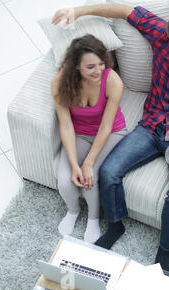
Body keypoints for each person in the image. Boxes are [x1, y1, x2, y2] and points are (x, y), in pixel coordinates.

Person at [52, 4, 169, 273]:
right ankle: (115, 225)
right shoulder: (160, 35)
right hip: (150, 125)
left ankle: (165, 249)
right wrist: (77, 12)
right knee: (110, 171)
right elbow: (125, 10)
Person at [51, 34, 127, 243]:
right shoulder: (60, 83)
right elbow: (65, 125)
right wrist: (75, 164)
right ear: (76, 66)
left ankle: (93, 219)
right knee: (66, 180)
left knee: (90, 175)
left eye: (101, 64)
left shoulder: (113, 81)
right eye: (90, 67)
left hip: (111, 132)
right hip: (79, 134)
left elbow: (106, 125)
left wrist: (88, 162)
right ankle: (73, 210)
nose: (98, 71)